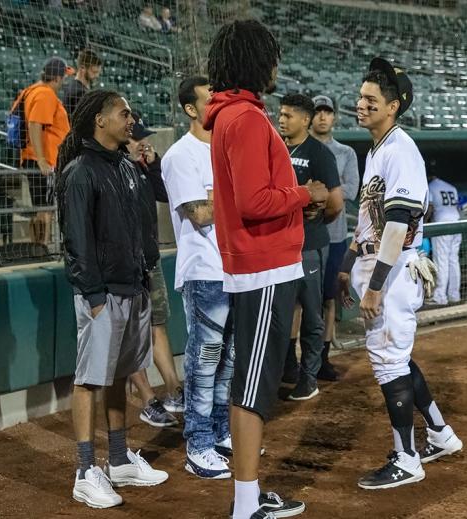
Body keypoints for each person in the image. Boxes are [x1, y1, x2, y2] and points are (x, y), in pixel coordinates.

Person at [205, 19, 329, 519]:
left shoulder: (234, 115)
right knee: (252, 387)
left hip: (259, 266)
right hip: (263, 268)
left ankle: (250, 496)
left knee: (252, 383)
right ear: (257, 61)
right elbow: (256, 201)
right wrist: (306, 194)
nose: (277, 65)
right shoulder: (247, 119)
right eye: (271, 56)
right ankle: (243, 507)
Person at [338, 57, 464, 490]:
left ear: (392, 107)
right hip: (379, 266)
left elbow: (396, 225)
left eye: (371, 99)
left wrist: (373, 286)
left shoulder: (400, 149)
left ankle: (406, 459)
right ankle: (441, 435)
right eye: (360, 97)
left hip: (392, 271)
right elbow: (369, 221)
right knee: (397, 360)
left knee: (388, 362)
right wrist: (346, 265)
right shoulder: (377, 149)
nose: (361, 104)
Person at [55, 89, 169, 509]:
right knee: (89, 380)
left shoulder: (125, 164)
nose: (131, 119)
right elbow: (76, 240)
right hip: (103, 293)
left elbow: (151, 208)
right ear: (100, 121)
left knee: (120, 374)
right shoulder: (81, 171)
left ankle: (119, 459)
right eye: (124, 113)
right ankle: (86, 470)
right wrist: (93, 294)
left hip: (133, 285)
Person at [162, 75, 235, 480]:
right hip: (204, 271)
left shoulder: (226, 149)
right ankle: (198, 443)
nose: (218, 108)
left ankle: (221, 432)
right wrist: (236, 197)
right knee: (205, 360)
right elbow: (201, 213)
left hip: (234, 269)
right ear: (191, 109)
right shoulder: (179, 155)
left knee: (230, 360)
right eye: (210, 101)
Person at [277, 93, 343, 401]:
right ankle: (285, 368)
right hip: (278, 244)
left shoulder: (319, 153)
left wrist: (313, 223)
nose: (281, 119)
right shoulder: (274, 148)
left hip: (309, 245)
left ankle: (309, 377)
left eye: (288, 115)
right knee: (282, 310)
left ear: (305, 119)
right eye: (280, 114)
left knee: (313, 314)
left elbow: (336, 204)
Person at [123, 110, 185, 428]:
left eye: (143, 138)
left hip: (149, 258)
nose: (142, 143)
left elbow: (166, 194)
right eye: (136, 138)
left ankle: (174, 390)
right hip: (123, 266)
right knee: (131, 333)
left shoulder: (143, 169)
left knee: (158, 325)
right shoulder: (112, 172)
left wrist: (154, 161)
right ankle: (148, 399)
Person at [310, 94, 359, 381]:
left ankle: (323, 358)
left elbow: (351, 190)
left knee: (329, 299)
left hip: (335, 234)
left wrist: (318, 192)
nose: (323, 117)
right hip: (304, 235)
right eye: (318, 112)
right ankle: (300, 359)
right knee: (302, 303)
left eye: (328, 112)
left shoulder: (345, 153)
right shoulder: (300, 148)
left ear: (335, 117)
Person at [17, 56, 71, 245]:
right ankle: (42, 249)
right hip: (44, 161)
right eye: (63, 77)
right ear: (56, 78)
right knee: (44, 209)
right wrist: (41, 159)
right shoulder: (45, 94)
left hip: (39, 159)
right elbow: (34, 124)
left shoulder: (31, 91)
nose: (64, 82)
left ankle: (39, 248)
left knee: (41, 207)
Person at [426, 173, 462, 306]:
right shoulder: (451, 187)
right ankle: (454, 295)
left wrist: (424, 223)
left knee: (441, 260)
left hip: (442, 225)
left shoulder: (430, 186)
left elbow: (429, 208)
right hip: (457, 223)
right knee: (453, 260)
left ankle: (440, 296)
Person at [61, 48, 103, 118]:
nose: (97, 76)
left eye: (98, 73)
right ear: (82, 68)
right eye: (94, 72)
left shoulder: (74, 86)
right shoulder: (79, 92)